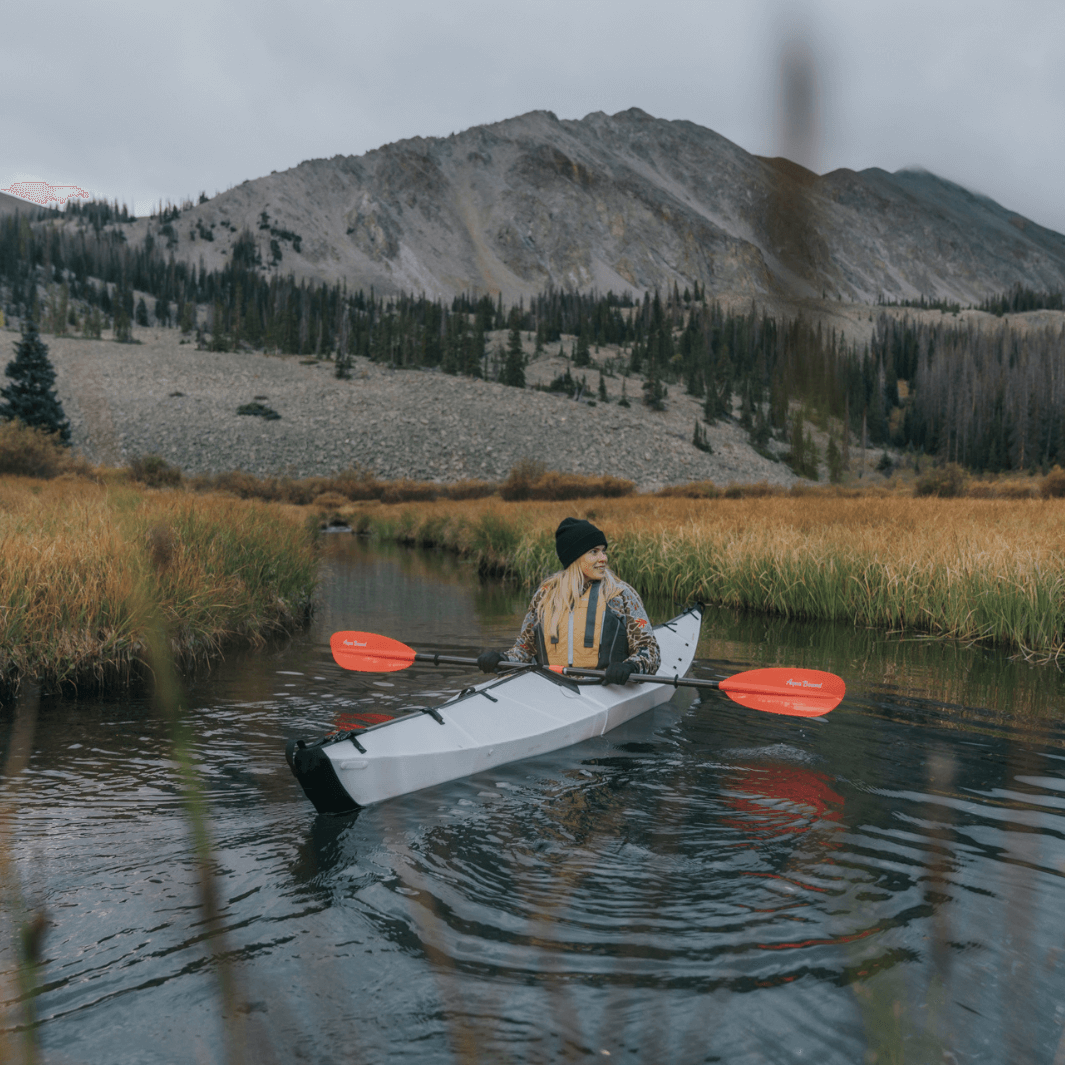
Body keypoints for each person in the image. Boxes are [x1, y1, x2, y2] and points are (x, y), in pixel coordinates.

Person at [477, 517, 660, 684]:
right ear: (574, 557)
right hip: (551, 683)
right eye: (594, 552)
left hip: (602, 684)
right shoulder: (545, 595)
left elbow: (649, 651)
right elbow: (525, 650)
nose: (603, 558)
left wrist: (630, 666)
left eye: (603, 551)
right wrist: (502, 659)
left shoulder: (620, 594)